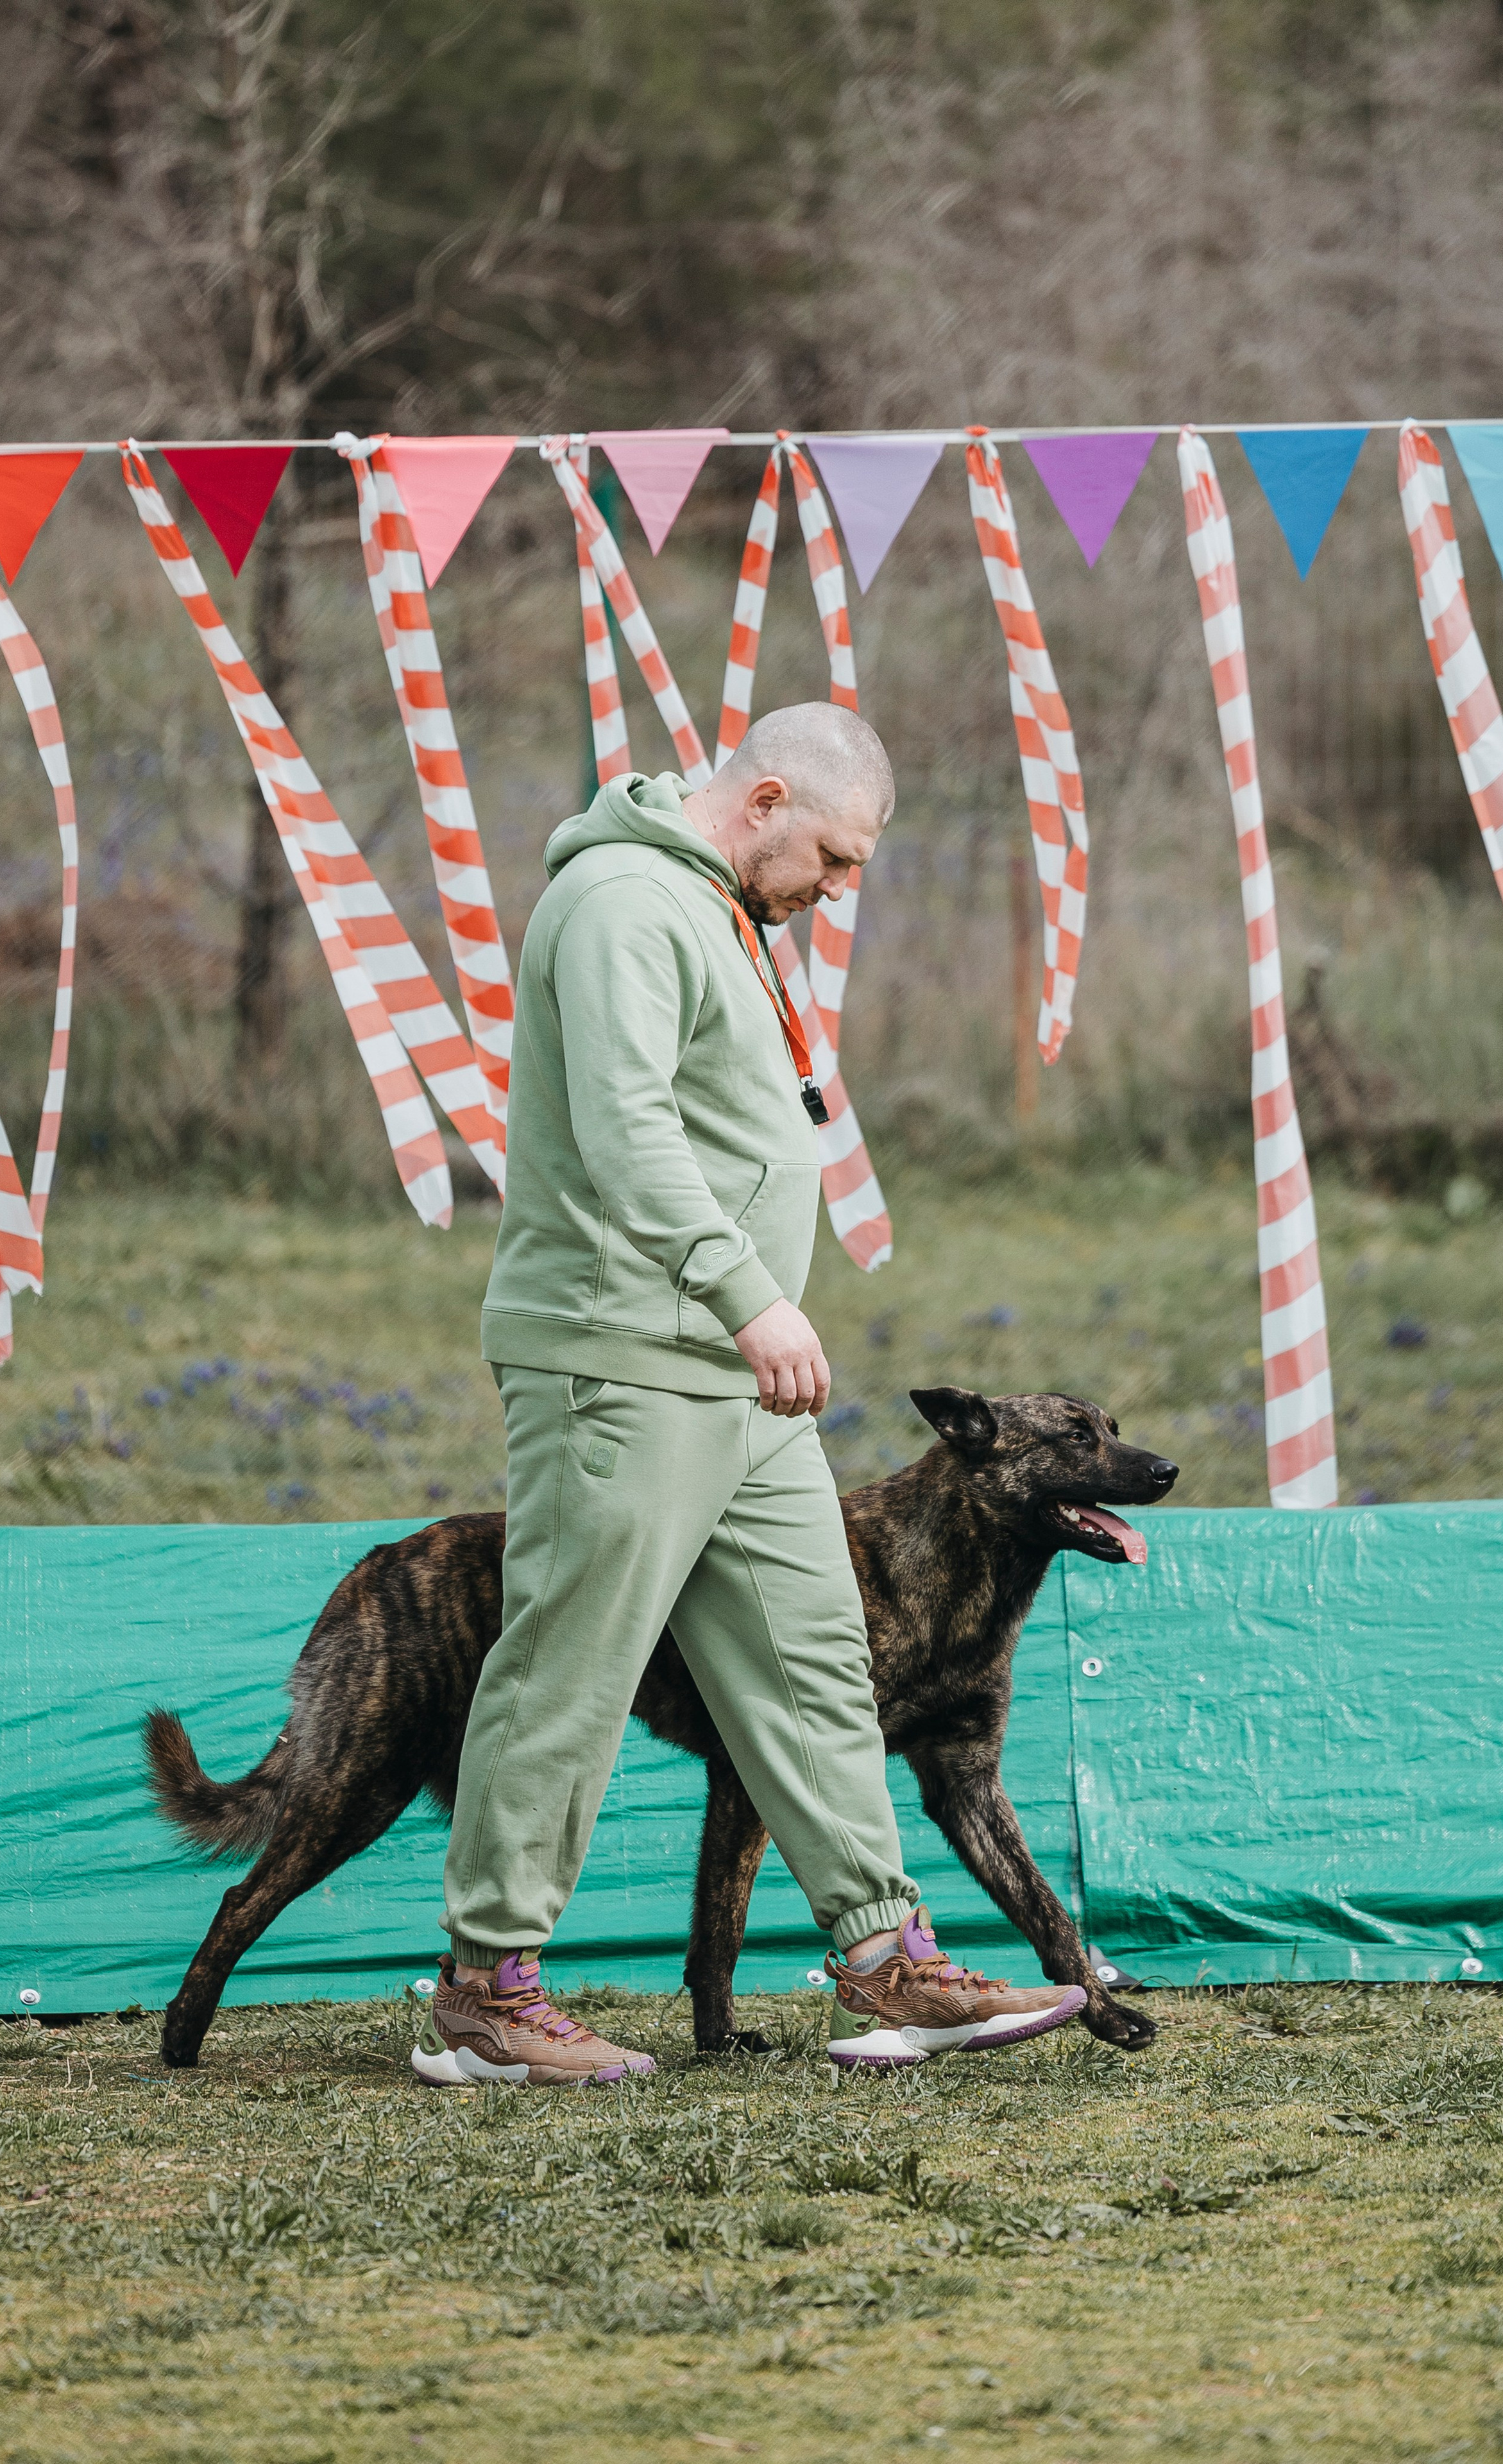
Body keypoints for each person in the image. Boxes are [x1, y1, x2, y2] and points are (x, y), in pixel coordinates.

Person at [412, 703, 1085, 2086]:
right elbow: (623, 1125)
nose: (836, 892)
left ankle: (886, 1957)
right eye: (830, 859)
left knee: (812, 1653)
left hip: (735, 1378)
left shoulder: (720, 909)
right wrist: (745, 1289)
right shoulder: (618, 902)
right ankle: (487, 1990)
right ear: (764, 799)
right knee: (574, 1661)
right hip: (625, 1356)